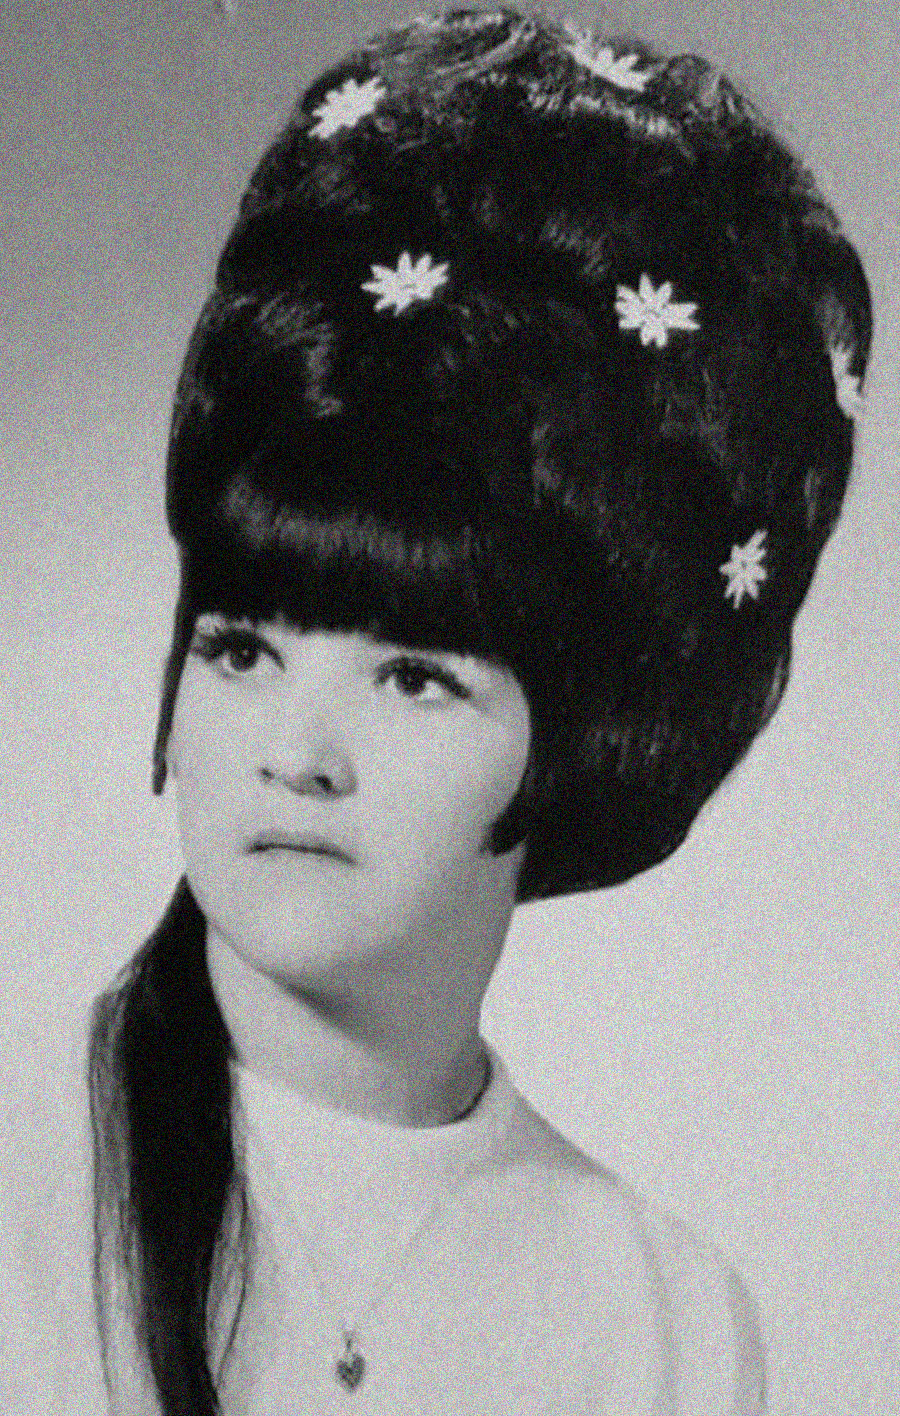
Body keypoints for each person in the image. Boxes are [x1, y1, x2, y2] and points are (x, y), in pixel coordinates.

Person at [87, 7, 872, 1414]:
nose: (295, 756)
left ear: (588, 730)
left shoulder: (665, 1322)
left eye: (413, 676)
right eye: (243, 648)